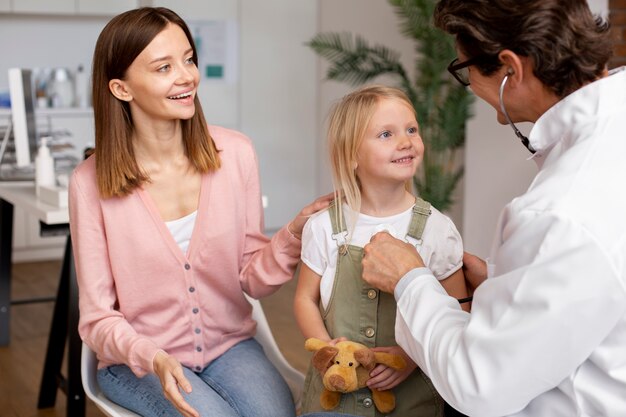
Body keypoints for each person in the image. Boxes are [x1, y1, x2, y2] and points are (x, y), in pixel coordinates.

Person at [360, 0, 626, 416]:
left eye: (465, 70)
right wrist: (512, 281)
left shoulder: (559, 213)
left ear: (510, 69)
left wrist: (409, 280)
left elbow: (478, 387)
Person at [69, 7, 331, 417]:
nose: (187, 75)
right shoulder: (89, 182)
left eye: (188, 59)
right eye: (164, 67)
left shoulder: (236, 154)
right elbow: (97, 318)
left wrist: (292, 234)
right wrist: (151, 355)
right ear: (122, 89)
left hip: (230, 347)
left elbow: (252, 278)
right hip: (138, 363)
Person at [295, 85, 470, 417]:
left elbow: (457, 312)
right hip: (335, 397)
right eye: (386, 134)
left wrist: (411, 358)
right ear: (351, 155)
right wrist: (325, 349)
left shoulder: (437, 228)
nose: (405, 141)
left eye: (411, 130)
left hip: (413, 398)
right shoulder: (323, 227)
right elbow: (304, 298)